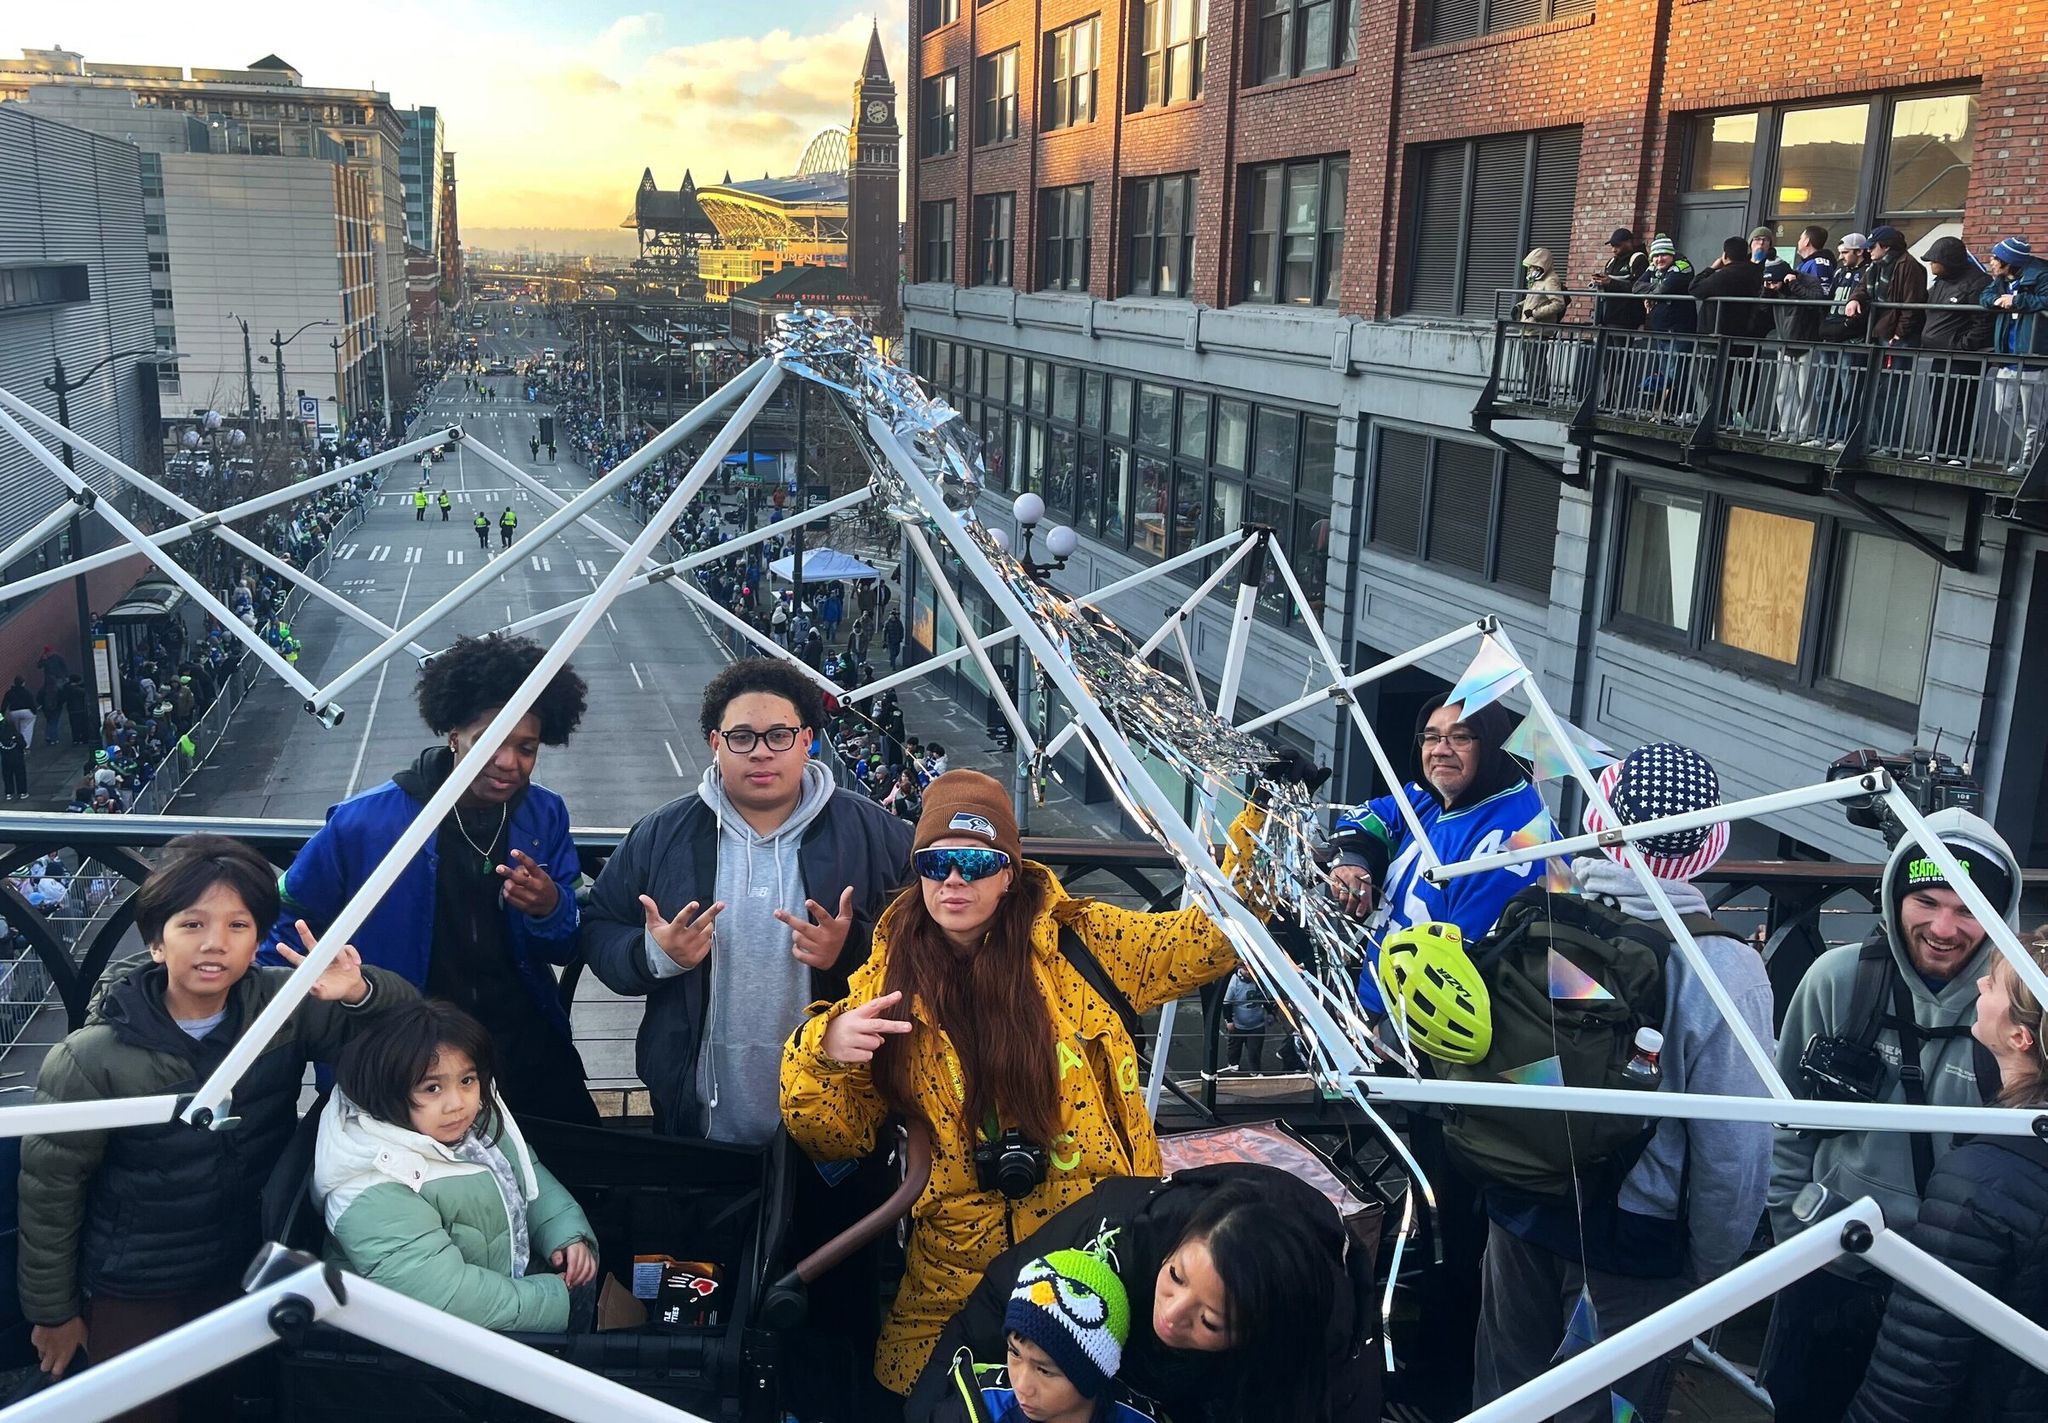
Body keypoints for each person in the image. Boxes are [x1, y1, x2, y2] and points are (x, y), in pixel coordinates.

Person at [783, 768, 1273, 1396]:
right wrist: (823, 1051)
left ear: (1010, 872)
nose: (954, 880)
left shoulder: (1084, 944)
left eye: (974, 862)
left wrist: (1259, 819)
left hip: (1092, 1263)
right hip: (952, 1275)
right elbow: (830, 1139)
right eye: (935, 864)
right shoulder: (886, 978)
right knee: (922, 1401)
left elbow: (1209, 938)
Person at [18, 835, 410, 1406]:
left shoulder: (284, 1008)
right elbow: (49, 1193)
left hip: (251, 1262)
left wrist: (362, 992)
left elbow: (414, 1038)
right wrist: (53, 1312)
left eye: (238, 926)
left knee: (238, 1405)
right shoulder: (90, 1058)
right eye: (192, 925)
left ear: (258, 939)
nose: (215, 945)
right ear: (155, 942)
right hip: (138, 1283)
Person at [1471, 744, 1776, 1423]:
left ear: (1600, 816)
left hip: (1519, 1205)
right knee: (1605, 1410)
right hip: (1633, 1243)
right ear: (1710, 845)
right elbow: (1736, 1151)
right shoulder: (1724, 964)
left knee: (1503, 1400)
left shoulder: (1536, 909)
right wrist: (1706, 1273)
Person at [261, 634, 596, 1125]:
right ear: (454, 732)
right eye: (492, 740)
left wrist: (550, 907)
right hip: (402, 1052)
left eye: (526, 748)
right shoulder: (363, 823)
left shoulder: (546, 814)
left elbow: (567, 944)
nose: (509, 762)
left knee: (576, 1164)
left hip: (522, 1047)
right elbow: (283, 928)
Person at [1760, 808, 2024, 1422]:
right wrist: (1792, 1246)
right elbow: (1787, 1122)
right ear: (1892, 897)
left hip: (1956, 1299)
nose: (1944, 927)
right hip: (1829, 1271)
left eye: (1968, 909)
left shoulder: (2017, 1015)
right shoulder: (1839, 981)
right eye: (1926, 900)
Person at [581, 656, 913, 1143]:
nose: (761, 753)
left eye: (779, 735)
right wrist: (655, 956)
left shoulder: (876, 833)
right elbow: (598, 927)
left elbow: (933, 944)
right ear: (716, 744)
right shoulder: (662, 834)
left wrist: (853, 950)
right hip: (694, 1119)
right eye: (742, 738)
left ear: (807, 741)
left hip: (843, 1110)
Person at [907, 1163, 1377, 1423]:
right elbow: (993, 1308)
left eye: (1210, 1320)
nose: (1171, 1314)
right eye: (1175, 1276)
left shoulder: (1320, 1354)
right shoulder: (1116, 1230)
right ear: (1179, 1241)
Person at [1842, 937, 2048, 1423]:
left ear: (2021, 1037)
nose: (1979, 982)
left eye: (1994, 983)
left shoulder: (1984, 1178)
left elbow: (1914, 1368)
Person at [315, 999, 598, 1333]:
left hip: (502, 1296)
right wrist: (557, 1298)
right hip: (425, 1349)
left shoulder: (472, 1124)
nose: (457, 1104)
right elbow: (445, 1299)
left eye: (467, 1080)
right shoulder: (371, 1186)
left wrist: (565, 1233)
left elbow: (527, 1174)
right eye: (432, 1088)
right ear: (387, 1092)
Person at [1329, 693, 1558, 1013]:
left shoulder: (1517, 840)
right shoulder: (1435, 794)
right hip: (1375, 998)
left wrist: (1396, 1037)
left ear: (1491, 744)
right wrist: (1356, 859)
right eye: (1432, 736)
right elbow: (1373, 816)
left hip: (1422, 1037)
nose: (1440, 749)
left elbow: (1476, 968)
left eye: (1460, 737)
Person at [936, 1243, 1150, 1423]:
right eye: (1015, 1353)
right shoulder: (976, 1405)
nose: (1021, 1385)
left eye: (1044, 1370)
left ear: (1092, 1376)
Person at [1919, 236, 1994, 461]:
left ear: (1948, 261)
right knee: (1939, 403)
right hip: (1939, 354)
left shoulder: (1977, 282)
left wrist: (1964, 345)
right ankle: (1936, 449)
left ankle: (1959, 452)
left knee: (1960, 404)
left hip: (1962, 357)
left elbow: (1983, 321)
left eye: (1934, 260)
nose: (1931, 265)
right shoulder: (1940, 281)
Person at [1981, 236, 2048, 461]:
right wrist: (1997, 301)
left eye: (1995, 258)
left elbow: (2046, 300)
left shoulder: (2040, 274)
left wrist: (2017, 300)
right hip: (2007, 353)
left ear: (2008, 261)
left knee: (2033, 414)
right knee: (2003, 407)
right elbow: (1985, 296)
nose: (1990, 261)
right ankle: (2039, 451)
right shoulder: (2002, 279)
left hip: (2032, 353)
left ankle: (2028, 460)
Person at [1589, 228, 1648, 330]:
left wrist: (1610, 283)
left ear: (1629, 242)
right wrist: (1600, 281)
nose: (1614, 249)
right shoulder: (1611, 261)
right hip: (1607, 315)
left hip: (1627, 318)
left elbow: (1640, 287)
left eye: (1618, 246)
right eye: (1612, 246)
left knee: (1621, 345)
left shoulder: (1639, 259)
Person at [1221, 966, 1269, 1074]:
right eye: (1246, 970)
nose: (1249, 973)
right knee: (1234, 1048)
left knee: (1255, 1050)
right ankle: (1233, 1064)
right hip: (1238, 1024)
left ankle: (1255, 1071)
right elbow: (1226, 1003)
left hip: (1257, 1023)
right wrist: (1228, 1020)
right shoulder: (1234, 982)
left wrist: (1271, 1013)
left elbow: (1266, 998)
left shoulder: (1260, 980)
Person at [5, 675, 36, 749]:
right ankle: (25, 746)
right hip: (26, 712)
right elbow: (32, 703)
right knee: (27, 728)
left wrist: (1, 717)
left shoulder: (9, 693)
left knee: (16, 729)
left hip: (14, 712)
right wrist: (34, 712)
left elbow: (4, 705)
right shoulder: (27, 692)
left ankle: (16, 743)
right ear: (23, 683)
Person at [0, 715, 27, 800]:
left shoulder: (1, 737)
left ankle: (9, 793)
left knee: (7, 775)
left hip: (5, 758)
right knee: (20, 774)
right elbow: (23, 744)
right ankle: (22, 792)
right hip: (17, 757)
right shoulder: (16, 735)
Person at [885, 606, 906, 671]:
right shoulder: (887, 623)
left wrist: (901, 637)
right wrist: (884, 640)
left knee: (897, 652)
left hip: (897, 640)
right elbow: (885, 631)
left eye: (893, 616)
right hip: (890, 641)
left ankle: (891, 659)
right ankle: (893, 666)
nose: (892, 617)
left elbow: (901, 630)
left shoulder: (898, 622)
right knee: (893, 653)